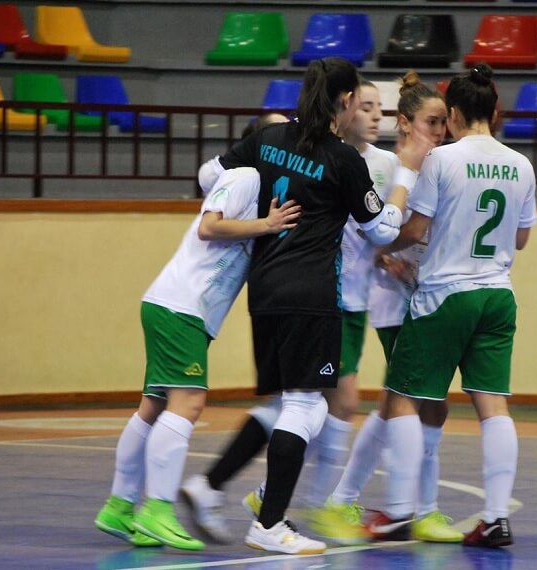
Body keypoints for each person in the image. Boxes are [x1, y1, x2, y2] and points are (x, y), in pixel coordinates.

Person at [180, 56, 430, 555]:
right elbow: (382, 229)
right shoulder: (343, 160)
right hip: (312, 294)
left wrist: (253, 211)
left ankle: (231, 492)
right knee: (306, 405)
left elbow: (209, 177)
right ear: (343, 102)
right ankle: (269, 523)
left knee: (289, 406)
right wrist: (406, 171)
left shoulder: (267, 141)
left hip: (264, 289)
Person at [93, 145, 302, 550]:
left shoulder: (261, 188)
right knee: (188, 402)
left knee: (153, 407)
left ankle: (119, 507)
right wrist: (267, 225)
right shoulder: (247, 178)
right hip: (181, 307)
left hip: (177, 307)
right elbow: (210, 226)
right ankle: (158, 509)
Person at [370, 63, 537, 548]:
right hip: (498, 295)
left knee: (402, 397)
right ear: (497, 110)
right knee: (492, 405)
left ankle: (400, 511)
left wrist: (381, 246)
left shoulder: (443, 161)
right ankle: (496, 517)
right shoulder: (521, 164)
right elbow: (522, 238)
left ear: (457, 113)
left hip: (445, 293)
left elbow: (417, 230)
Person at [308, 71, 465, 545]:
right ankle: (415, 507)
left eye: (444, 122)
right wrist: (388, 252)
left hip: (424, 292)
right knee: (418, 403)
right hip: (393, 297)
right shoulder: (389, 167)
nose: (441, 130)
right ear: (406, 123)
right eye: (432, 122)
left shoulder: (439, 163)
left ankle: (345, 496)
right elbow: (373, 226)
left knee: (402, 403)